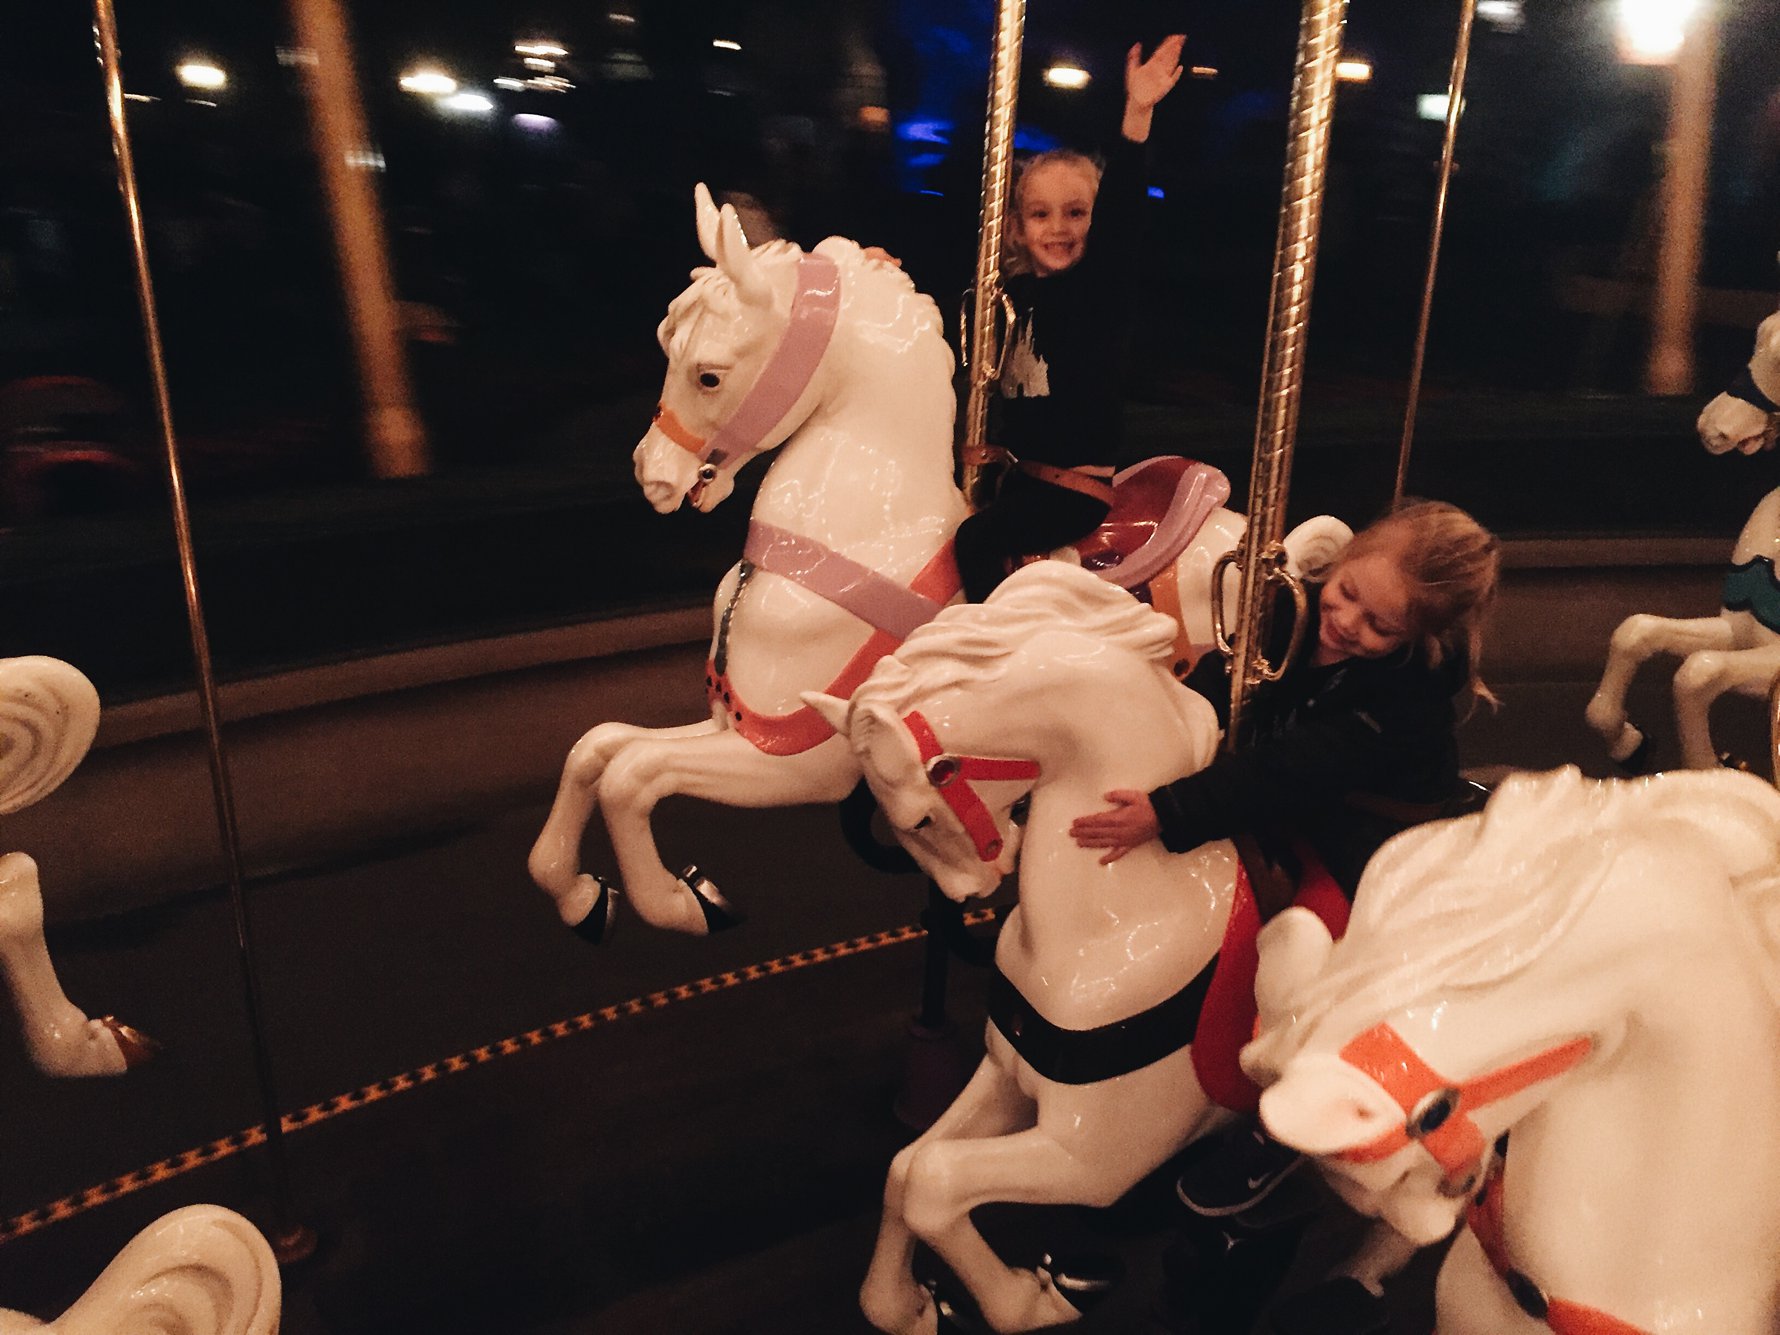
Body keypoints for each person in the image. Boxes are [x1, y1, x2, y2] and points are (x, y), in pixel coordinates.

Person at [953, 34, 1185, 603]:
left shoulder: (1096, 289)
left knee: (975, 540)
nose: (1058, 227)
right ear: (1017, 227)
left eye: (1076, 213)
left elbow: (1123, 216)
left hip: (1071, 491)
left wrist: (1137, 114)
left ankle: (992, 638)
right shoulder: (1012, 296)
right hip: (1023, 475)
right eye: (1041, 214)